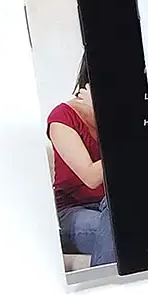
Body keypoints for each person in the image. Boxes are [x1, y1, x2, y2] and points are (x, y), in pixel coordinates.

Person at [48, 57, 115, 267]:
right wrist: (111, 122)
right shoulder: (62, 117)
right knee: (121, 227)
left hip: (112, 205)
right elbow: (91, 177)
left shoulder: (125, 114)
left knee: (123, 214)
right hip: (72, 212)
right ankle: (107, 286)